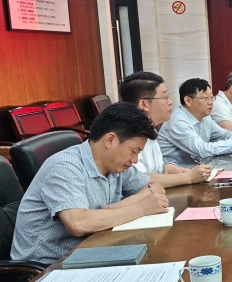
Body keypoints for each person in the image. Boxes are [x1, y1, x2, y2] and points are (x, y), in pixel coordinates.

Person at [11, 103, 169, 265]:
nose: (135, 160)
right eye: (133, 151)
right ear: (110, 140)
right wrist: (140, 208)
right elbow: (78, 223)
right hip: (47, 267)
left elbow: (154, 187)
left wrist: (122, 206)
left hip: (91, 250)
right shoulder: (65, 166)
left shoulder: (115, 164)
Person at [119, 71, 212, 187]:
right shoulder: (127, 135)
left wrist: (167, 168)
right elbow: (138, 179)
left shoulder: (150, 128)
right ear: (144, 104)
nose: (170, 102)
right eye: (165, 97)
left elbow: (154, 169)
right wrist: (189, 177)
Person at [158, 78, 232, 162]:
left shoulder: (205, 117)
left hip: (199, 167)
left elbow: (224, 135)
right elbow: (202, 150)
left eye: (212, 98)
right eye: (205, 98)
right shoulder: (178, 122)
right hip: (176, 172)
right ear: (188, 101)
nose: (210, 102)